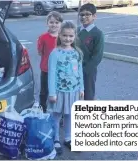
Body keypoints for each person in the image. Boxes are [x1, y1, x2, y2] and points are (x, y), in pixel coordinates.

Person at [47, 21, 84, 154]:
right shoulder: (55, 53)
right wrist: (52, 92)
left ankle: (68, 138)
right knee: (56, 115)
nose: (67, 39)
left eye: (70, 36)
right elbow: (51, 73)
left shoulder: (77, 53)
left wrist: (82, 89)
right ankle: (55, 138)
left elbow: (79, 72)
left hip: (73, 91)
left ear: (74, 37)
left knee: (69, 115)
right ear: (60, 36)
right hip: (58, 91)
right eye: (64, 36)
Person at [37, 11, 63, 113]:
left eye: (57, 22)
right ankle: (42, 110)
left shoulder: (63, 37)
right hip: (46, 69)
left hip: (60, 70)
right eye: (51, 22)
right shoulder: (43, 37)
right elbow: (40, 52)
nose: (54, 25)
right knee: (44, 91)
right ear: (47, 23)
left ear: (61, 24)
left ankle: (58, 111)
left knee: (58, 91)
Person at [77, 3, 105, 100]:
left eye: (87, 14)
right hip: (73, 68)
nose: (84, 17)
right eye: (82, 15)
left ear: (94, 16)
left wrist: (85, 70)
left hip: (88, 70)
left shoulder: (98, 34)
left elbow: (97, 56)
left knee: (88, 94)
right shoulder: (76, 31)